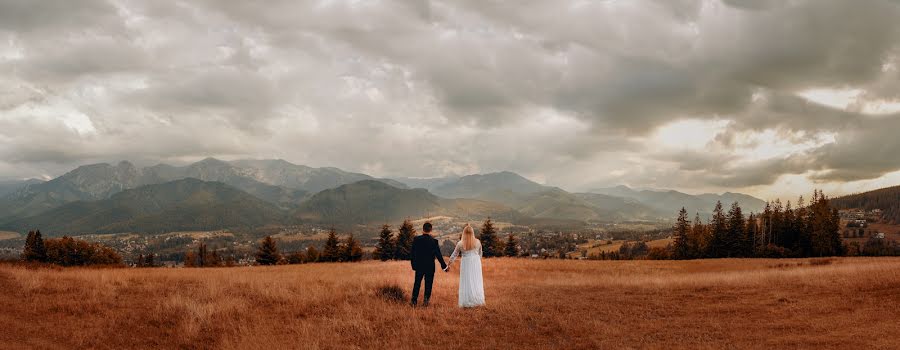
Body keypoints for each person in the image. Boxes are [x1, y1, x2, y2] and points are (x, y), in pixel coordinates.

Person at [446, 223, 485, 308]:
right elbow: (480, 253)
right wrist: (477, 261)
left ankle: (467, 301)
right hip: (476, 263)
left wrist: (448, 264)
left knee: (467, 281)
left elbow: (454, 255)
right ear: (472, 233)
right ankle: (477, 300)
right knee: (476, 281)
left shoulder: (460, 243)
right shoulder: (478, 242)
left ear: (464, 233)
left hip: (466, 263)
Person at [410, 222, 447, 307]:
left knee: (417, 283)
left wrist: (413, 265)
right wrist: (444, 266)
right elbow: (438, 255)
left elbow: (412, 254)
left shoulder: (416, 239)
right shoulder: (434, 242)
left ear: (423, 229)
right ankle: (426, 302)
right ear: (431, 230)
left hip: (419, 266)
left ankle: (413, 301)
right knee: (428, 285)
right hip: (430, 267)